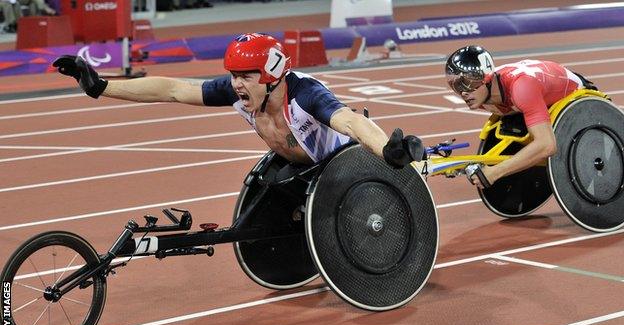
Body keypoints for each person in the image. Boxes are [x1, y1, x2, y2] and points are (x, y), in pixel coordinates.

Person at [53, 33, 423, 171]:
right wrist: (101, 86)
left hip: (343, 170)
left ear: (270, 77)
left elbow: (351, 122)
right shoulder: (238, 90)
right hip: (297, 167)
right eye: (233, 75)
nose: (235, 84)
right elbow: (171, 89)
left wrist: (387, 149)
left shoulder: (306, 94)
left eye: (245, 76)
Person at [445, 45, 596, 189]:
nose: (463, 92)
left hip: (573, 92)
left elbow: (547, 145)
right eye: (456, 86)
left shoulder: (521, 88)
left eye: (467, 84)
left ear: (487, 78)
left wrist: (494, 172)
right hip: (534, 95)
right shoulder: (483, 95)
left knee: (541, 138)